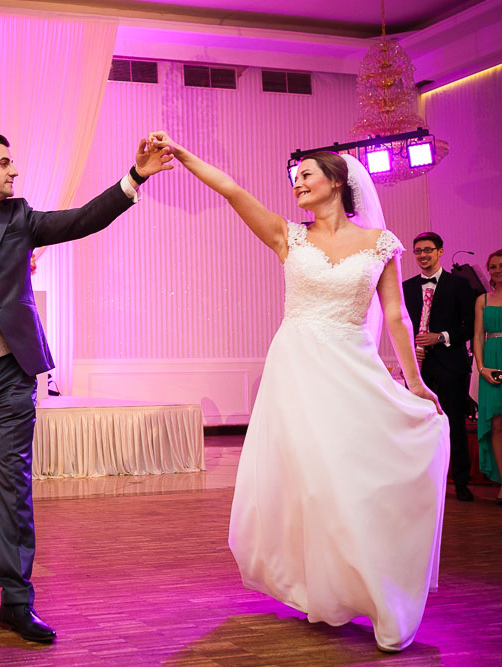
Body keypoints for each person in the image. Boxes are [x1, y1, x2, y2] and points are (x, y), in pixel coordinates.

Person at [157, 133, 448, 652]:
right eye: (294, 178)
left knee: (353, 482)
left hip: (350, 370)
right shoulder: (286, 235)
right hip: (296, 373)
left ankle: (382, 593)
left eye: (307, 175)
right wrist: (181, 153)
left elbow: (398, 317)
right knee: (313, 487)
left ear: (337, 181)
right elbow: (229, 189)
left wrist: (415, 381)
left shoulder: (380, 243)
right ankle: (324, 590)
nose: (297, 183)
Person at [0, 130, 173, 643]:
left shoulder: (20, 218)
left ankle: (18, 599)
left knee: (14, 481)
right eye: (4, 163)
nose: (13, 171)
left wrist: (134, 179)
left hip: (14, 370)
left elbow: (81, 220)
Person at [403, 232, 477, 502]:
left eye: (428, 250)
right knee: (418, 425)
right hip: (418, 366)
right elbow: (400, 325)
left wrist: (441, 337)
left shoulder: (459, 285)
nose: (423, 255)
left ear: (440, 251)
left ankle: (460, 482)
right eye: (418, 251)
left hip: (451, 366)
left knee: (453, 423)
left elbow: (469, 327)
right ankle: (423, 482)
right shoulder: (406, 287)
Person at [474, 249, 502, 503]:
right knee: (496, 424)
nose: (497, 270)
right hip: (492, 363)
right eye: (492, 266)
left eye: (501, 265)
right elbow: (478, 337)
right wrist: (482, 368)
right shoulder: (482, 299)